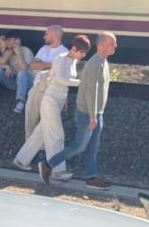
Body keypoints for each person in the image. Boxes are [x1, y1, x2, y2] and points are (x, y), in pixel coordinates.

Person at [39, 32, 118, 189]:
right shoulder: (95, 64)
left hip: (96, 113)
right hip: (88, 113)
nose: (115, 46)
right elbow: (91, 92)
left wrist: (97, 114)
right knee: (79, 146)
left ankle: (91, 178)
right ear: (102, 45)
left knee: (92, 148)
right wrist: (93, 116)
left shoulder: (103, 62)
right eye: (112, 43)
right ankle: (48, 165)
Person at [13, 35, 90, 174]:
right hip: (50, 101)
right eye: (82, 51)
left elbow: (63, 81)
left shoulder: (72, 61)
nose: (83, 55)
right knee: (57, 135)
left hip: (57, 101)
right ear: (74, 48)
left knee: (40, 134)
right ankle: (57, 170)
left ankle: (21, 159)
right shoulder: (60, 58)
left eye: (85, 52)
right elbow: (61, 79)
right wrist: (80, 83)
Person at [23, 25, 68, 135]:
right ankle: (28, 149)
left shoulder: (65, 53)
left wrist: (42, 65)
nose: (44, 37)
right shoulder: (43, 49)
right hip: (36, 89)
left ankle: (43, 148)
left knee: (46, 124)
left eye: (46, 34)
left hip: (51, 92)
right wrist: (51, 65)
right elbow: (32, 65)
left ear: (54, 35)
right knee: (30, 121)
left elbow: (64, 76)